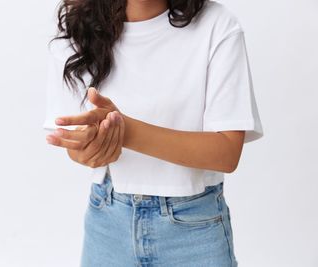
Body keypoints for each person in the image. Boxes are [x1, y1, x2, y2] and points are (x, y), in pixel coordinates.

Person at [44, 0, 264, 266]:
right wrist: (89, 148)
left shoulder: (217, 25)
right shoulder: (79, 28)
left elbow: (226, 153)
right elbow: (80, 149)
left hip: (194, 230)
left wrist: (125, 131)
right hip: (107, 225)